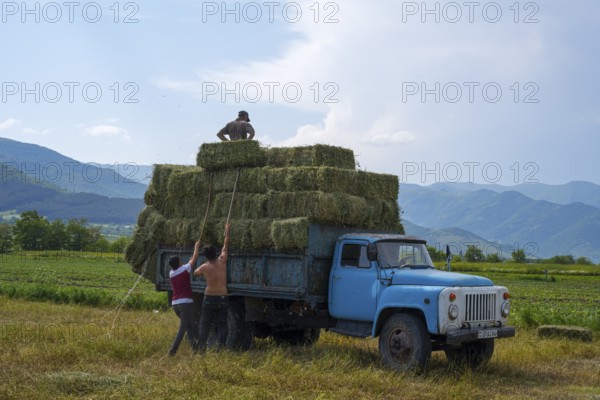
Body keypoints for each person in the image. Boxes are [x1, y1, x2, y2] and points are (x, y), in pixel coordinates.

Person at [194, 223, 231, 351]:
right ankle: (221, 348)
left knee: (205, 324)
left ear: (205, 256)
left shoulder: (204, 267)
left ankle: (202, 348)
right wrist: (227, 231)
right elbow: (225, 246)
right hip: (222, 297)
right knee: (222, 324)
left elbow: (195, 273)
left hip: (209, 298)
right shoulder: (222, 261)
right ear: (216, 253)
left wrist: (196, 250)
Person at [167, 240, 201, 356]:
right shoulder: (184, 269)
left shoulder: (171, 273)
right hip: (185, 304)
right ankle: (173, 351)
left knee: (188, 326)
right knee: (183, 328)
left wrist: (189, 261)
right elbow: (195, 257)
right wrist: (196, 246)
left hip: (175, 304)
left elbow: (187, 264)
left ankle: (195, 350)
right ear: (179, 262)